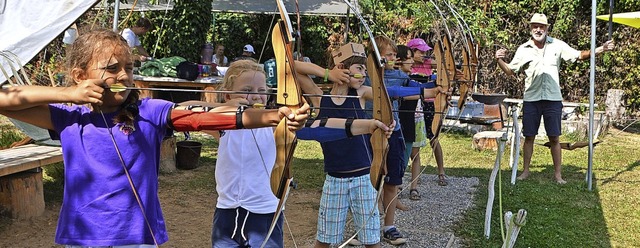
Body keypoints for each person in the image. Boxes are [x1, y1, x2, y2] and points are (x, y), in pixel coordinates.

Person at [0, 29, 309, 247]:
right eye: (111, 68)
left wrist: (275, 116)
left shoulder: (149, 110)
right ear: (80, 75)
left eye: (129, 68)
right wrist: (67, 94)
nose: (123, 76)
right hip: (84, 236)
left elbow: (206, 118)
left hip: (135, 236)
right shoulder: (68, 115)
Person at [207, 59, 393, 248]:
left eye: (262, 91)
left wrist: (369, 126)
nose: (256, 97)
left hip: (264, 214)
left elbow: (322, 125)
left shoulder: (276, 124)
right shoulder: (222, 127)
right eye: (247, 90)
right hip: (226, 212)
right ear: (227, 94)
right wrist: (226, 108)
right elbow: (183, 111)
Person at [495, 13, 615, 184]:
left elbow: (579, 55)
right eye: (535, 26)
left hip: (552, 100)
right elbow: (509, 70)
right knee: (529, 136)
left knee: (554, 138)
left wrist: (601, 49)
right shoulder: (523, 49)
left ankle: (558, 175)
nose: (538, 29)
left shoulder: (557, 45)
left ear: (547, 28)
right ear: (530, 28)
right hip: (531, 99)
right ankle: (525, 171)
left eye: (541, 26)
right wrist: (499, 59)